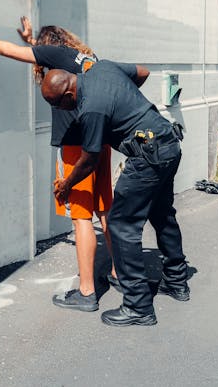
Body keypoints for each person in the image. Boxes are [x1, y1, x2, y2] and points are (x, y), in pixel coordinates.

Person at [0, 14, 148, 311]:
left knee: (81, 218)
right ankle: (119, 273)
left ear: (48, 47)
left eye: (38, 48)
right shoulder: (84, 58)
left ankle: (86, 292)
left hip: (75, 150)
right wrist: (31, 40)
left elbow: (11, 53)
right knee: (105, 210)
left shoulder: (56, 55)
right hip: (100, 145)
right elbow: (46, 57)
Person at [41, 62, 189, 327]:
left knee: (121, 226)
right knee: (162, 214)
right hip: (168, 144)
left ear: (67, 95)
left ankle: (138, 306)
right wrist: (126, 106)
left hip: (147, 156)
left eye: (58, 105)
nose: (60, 111)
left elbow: (89, 159)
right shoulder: (103, 69)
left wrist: (66, 184)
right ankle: (177, 282)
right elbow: (142, 71)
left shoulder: (91, 109)